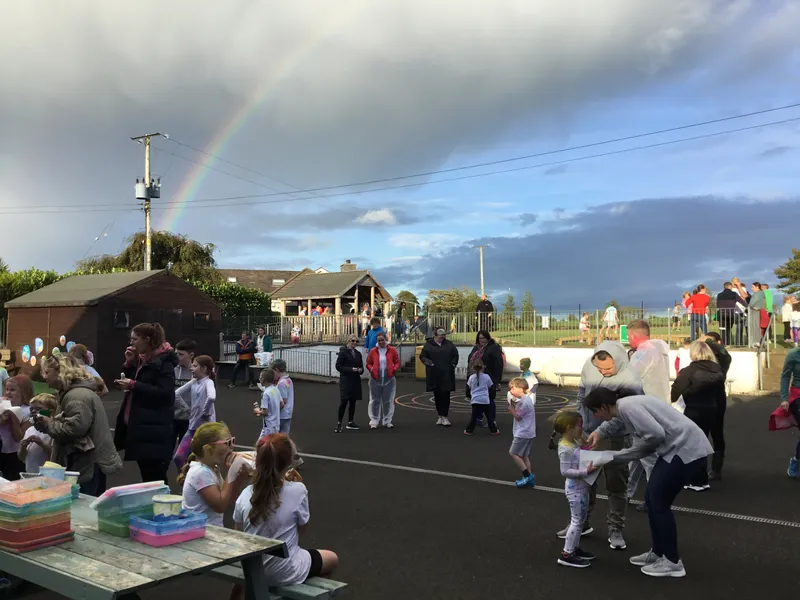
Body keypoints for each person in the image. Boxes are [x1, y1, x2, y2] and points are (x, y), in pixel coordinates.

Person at [585, 388, 713, 578]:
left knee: (659, 502)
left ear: (604, 407)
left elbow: (655, 436)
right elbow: (618, 425)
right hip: (675, 449)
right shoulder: (624, 406)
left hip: (685, 450)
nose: (594, 416)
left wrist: (615, 456)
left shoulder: (628, 407)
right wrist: (599, 433)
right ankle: (658, 553)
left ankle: (672, 562)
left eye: (595, 411)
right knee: (652, 499)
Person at [232, 433, 338, 593]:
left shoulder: (245, 494)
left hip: (252, 569)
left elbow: (237, 534)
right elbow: (302, 529)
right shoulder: (298, 490)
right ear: (289, 462)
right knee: (332, 558)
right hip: (285, 571)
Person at [566, 341, 643, 550]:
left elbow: (626, 414)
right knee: (584, 481)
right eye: (600, 368)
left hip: (616, 438)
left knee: (616, 484)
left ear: (618, 361)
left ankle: (615, 528)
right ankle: (581, 523)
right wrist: (579, 423)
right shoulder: (590, 364)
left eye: (608, 368)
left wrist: (601, 432)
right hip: (587, 434)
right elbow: (582, 393)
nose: (604, 372)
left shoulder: (631, 380)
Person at [38, 354, 122, 495]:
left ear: (60, 372)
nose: (44, 377)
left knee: (84, 504)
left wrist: (49, 424)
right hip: (86, 461)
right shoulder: (74, 393)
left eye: (47, 372)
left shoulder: (77, 396)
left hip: (86, 463)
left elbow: (75, 429)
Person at [114, 322, 177, 485]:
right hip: (142, 426)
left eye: (135, 339)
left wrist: (133, 385)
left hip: (153, 428)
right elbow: (137, 380)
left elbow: (166, 393)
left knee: (154, 477)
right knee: (148, 476)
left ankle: (163, 508)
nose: (131, 343)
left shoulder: (164, 363)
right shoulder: (144, 359)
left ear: (147, 340)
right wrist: (129, 364)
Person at [626, 320, 671, 509]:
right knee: (637, 455)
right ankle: (626, 493)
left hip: (646, 411)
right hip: (659, 407)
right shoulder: (660, 350)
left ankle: (655, 498)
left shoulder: (643, 351)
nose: (628, 340)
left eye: (628, 336)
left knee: (648, 458)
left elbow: (629, 377)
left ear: (634, 336)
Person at [670, 341, 724, 491]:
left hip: (693, 410)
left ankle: (696, 479)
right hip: (711, 409)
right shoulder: (718, 370)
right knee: (701, 442)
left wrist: (684, 395)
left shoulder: (689, 370)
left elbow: (674, 392)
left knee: (691, 445)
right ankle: (699, 478)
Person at [178, 422, 251, 526]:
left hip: (209, 530)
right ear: (208, 449)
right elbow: (220, 505)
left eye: (232, 441)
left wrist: (240, 477)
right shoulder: (200, 472)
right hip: (201, 532)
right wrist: (232, 473)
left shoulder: (212, 469)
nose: (232, 447)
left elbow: (228, 500)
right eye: (228, 443)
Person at [553, 410, 597, 568]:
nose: (582, 429)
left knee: (580, 520)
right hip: (575, 490)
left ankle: (574, 548)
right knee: (577, 522)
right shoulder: (565, 448)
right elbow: (565, 471)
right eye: (579, 426)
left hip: (582, 488)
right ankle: (567, 553)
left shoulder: (575, 442)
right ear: (569, 428)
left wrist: (586, 444)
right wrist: (586, 472)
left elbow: (583, 453)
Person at [173, 355, 217, 470]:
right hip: (193, 428)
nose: (191, 368)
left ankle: (207, 483)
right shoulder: (193, 382)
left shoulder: (208, 382)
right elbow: (176, 394)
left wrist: (205, 412)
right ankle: (186, 478)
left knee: (205, 462)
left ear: (204, 369)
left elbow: (211, 397)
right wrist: (187, 409)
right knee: (179, 457)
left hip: (207, 431)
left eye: (195, 366)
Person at [701, 332, 730, 480]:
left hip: (717, 400)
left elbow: (725, 355)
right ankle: (699, 470)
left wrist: (707, 340)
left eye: (711, 343)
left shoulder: (722, 360)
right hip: (702, 399)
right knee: (700, 435)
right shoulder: (703, 359)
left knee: (717, 433)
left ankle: (716, 469)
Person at [419, 328, 459, 427]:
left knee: (446, 395)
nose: (442, 337)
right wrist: (429, 363)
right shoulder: (428, 345)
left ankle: (445, 416)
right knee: (437, 395)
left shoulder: (449, 344)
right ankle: (440, 416)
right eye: (440, 336)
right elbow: (423, 356)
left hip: (447, 374)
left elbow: (455, 355)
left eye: (444, 335)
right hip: (434, 374)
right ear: (435, 335)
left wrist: (453, 364)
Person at [466, 330, 504, 428]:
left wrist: (497, 380)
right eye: (480, 338)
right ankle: (478, 418)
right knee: (476, 398)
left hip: (488, 377)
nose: (481, 340)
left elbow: (498, 364)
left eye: (483, 338)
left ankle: (492, 420)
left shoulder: (493, 348)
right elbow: (470, 359)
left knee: (489, 399)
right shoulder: (476, 347)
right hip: (475, 377)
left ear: (488, 337)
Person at [0, 375, 32, 480]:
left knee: (13, 481)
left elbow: (19, 437)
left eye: (13, 390)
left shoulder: (28, 411)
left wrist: (14, 417)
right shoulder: (1, 404)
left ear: (24, 392)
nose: (8, 393)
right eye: (7, 389)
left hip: (15, 454)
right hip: (1, 450)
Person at [366, 332, 399, 430]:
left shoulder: (392, 350)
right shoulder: (373, 351)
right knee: (375, 400)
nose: (380, 342)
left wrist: (394, 369)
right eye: (379, 340)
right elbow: (368, 363)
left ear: (385, 339)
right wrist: (372, 369)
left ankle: (387, 421)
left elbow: (397, 361)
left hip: (389, 379)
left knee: (388, 401)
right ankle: (374, 421)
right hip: (375, 379)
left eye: (382, 340)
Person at [507, 377, 536, 488]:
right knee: (524, 455)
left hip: (523, 432)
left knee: (513, 453)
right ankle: (529, 480)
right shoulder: (525, 400)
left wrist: (511, 409)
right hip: (529, 432)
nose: (511, 391)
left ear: (521, 388)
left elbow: (518, 417)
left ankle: (527, 475)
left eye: (513, 388)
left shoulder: (524, 402)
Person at [18, 393, 57, 474]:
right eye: (31, 409)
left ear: (51, 412)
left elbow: (55, 457)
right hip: (30, 472)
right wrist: (23, 446)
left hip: (48, 474)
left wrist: (42, 444)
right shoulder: (30, 430)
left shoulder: (54, 431)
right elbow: (21, 457)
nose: (33, 411)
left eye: (38, 409)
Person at [335, 336, 363, 432]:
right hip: (346, 379)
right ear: (348, 341)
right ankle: (339, 423)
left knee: (353, 401)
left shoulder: (358, 354)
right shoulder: (343, 352)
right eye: (352, 341)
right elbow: (338, 366)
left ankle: (351, 422)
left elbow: (361, 367)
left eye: (356, 341)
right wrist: (351, 369)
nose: (354, 342)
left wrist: (360, 370)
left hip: (355, 380)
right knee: (344, 401)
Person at [779, 347, 800, 477]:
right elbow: (785, 376)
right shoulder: (793, 355)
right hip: (797, 396)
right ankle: (796, 462)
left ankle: (796, 459)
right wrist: (784, 399)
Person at [173, 339, 197, 452]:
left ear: (191, 355)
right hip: (171, 417)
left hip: (189, 420)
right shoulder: (171, 370)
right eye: (176, 354)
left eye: (181, 354)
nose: (177, 357)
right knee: (166, 452)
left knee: (186, 454)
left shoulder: (197, 372)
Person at [464, 360, 498, 435]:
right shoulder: (487, 377)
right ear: (483, 367)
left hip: (475, 399)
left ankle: (469, 430)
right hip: (485, 400)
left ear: (473, 367)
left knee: (474, 417)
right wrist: (491, 396)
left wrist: (470, 396)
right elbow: (491, 387)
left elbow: (468, 388)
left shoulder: (471, 377)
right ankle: (494, 430)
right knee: (489, 416)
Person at [716, 282, 747, 346]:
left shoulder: (719, 295)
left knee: (722, 329)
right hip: (731, 314)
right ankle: (728, 343)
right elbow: (742, 302)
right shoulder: (734, 294)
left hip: (722, 314)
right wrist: (748, 306)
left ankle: (723, 343)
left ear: (724, 287)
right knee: (729, 329)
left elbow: (718, 305)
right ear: (730, 287)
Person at [255, 368, 282, 439]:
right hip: (276, 424)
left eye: (260, 377)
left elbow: (265, 412)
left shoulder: (265, 394)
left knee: (260, 446)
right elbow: (281, 404)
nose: (259, 379)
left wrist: (258, 411)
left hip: (268, 426)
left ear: (263, 380)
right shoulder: (276, 389)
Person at [271, 359, 295, 436]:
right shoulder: (288, 380)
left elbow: (283, 401)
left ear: (277, 370)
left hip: (281, 415)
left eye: (273, 372)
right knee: (284, 436)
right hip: (287, 413)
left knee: (276, 436)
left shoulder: (281, 383)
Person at [748, 282, 766, 347]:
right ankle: (758, 341)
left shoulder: (758, 294)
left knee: (755, 326)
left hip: (755, 312)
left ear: (757, 287)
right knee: (757, 327)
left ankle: (756, 342)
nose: (751, 288)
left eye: (752, 287)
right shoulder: (761, 293)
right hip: (758, 311)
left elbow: (752, 303)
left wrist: (749, 307)